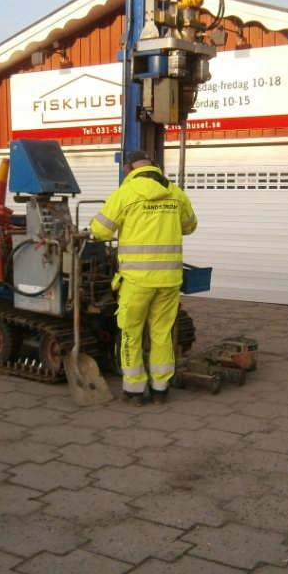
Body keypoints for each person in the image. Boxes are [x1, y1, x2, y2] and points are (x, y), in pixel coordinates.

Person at [90, 149, 198, 405]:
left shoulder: (125, 194)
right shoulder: (175, 193)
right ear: (154, 166)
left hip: (137, 281)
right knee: (161, 333)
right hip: (169, 280)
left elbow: (100, 230)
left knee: (131, 333)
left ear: (128, 169)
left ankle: (135, 390)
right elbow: (190, 226)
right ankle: (161, 388)